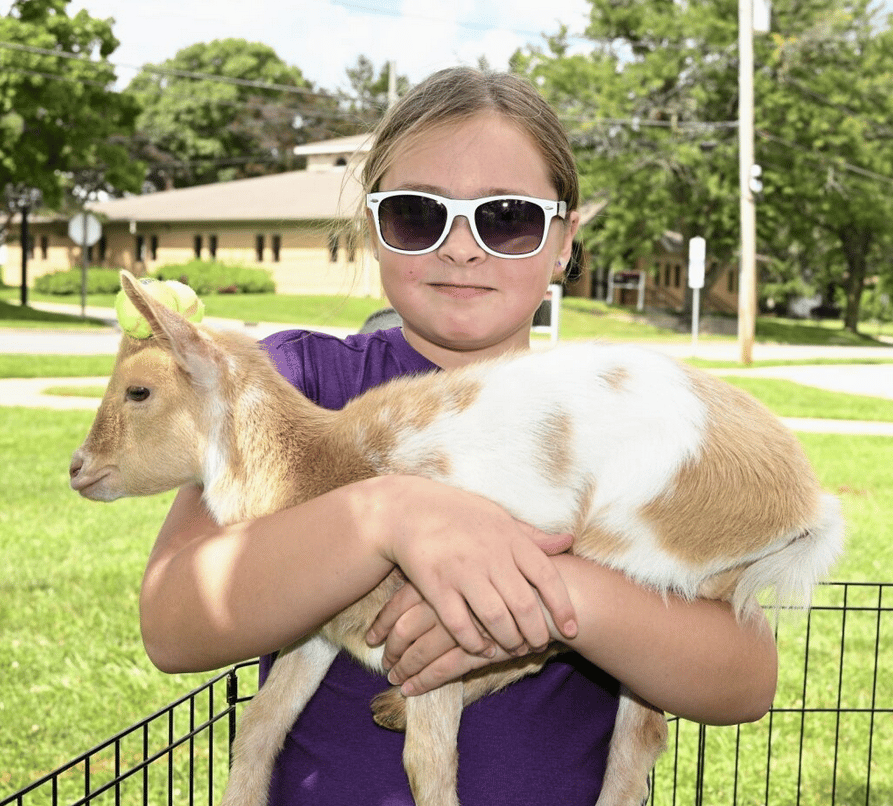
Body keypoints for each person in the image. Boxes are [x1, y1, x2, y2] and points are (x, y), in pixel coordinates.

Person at [139, 67, 778, 805]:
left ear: (563, 242)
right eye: (418, 215)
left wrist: (557, 599)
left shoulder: (618, 420)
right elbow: (175, 624)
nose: (462, 247)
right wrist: (388, 515)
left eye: (507, 217)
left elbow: (743, 681)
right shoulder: (288, 384)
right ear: (373, 232)